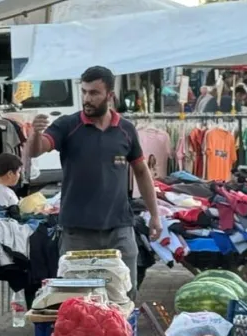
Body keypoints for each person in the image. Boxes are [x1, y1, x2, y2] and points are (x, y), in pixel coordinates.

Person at [28, 66, 162, 299]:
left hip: (119, 227)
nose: (87, 99)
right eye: (84, 92)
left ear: (110, 95)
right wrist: (35, 135)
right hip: (77, 232)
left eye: (94, 93)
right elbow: (37, 150)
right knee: (76, 299)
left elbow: (141, 171)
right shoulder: (67, 125)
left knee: (125, 295)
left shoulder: (126, 129)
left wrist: (155, 215)